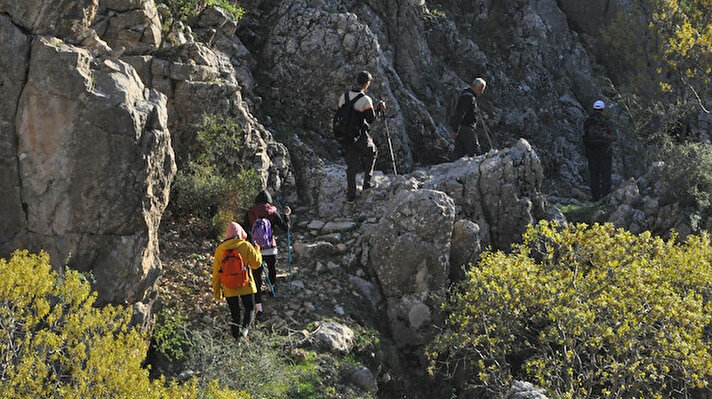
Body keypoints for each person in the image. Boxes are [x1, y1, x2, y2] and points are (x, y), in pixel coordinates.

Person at [337, 70, 387, 202]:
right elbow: (370, 119)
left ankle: (351, 195)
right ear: (366, 84)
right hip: (360, 135)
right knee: (372, 152)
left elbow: (340, 112)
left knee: (351, 164)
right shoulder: (365, 100)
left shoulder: (344, 96)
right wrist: (378, 109)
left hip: (346, 136)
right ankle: (367, 184)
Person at [243, 190, 290, 318]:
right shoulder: (273, 212)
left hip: (256, 249)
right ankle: (272, 288)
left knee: (256, 277)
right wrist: (286, 216)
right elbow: (285, 228)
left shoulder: (250, 213)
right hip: (270, 247)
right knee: (272, 268)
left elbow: (244, 231)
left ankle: (259, 307)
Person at [212, 222, 262, 340]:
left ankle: (236, 340)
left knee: (235, 314)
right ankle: (244, 332)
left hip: (228, 286)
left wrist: (217, 292)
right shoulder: (245, 246)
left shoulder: (220, 249)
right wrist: (257, 251)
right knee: (249, 308)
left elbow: (216, 273)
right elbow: (256, 264)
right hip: (246, 284)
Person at [582, 100, 616, 201]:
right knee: (606, 174)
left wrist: (587, 149)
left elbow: (583, 136)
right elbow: (613, 136)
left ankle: (595, 197)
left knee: (594, 175)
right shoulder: (607, 121)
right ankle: (605, 196)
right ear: (603, 109)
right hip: (605, 152)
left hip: (592, 152)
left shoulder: (588, 121)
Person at [449, 77, 488, 160]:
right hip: (467, 129)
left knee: (458, 153)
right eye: (481, 89)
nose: (481, 92)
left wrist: (455, 130)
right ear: (476, 87)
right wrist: (455, 130)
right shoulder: (468, 97)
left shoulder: (466, 95)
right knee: (476, 153)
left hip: (462, 129)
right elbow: (461, 113)